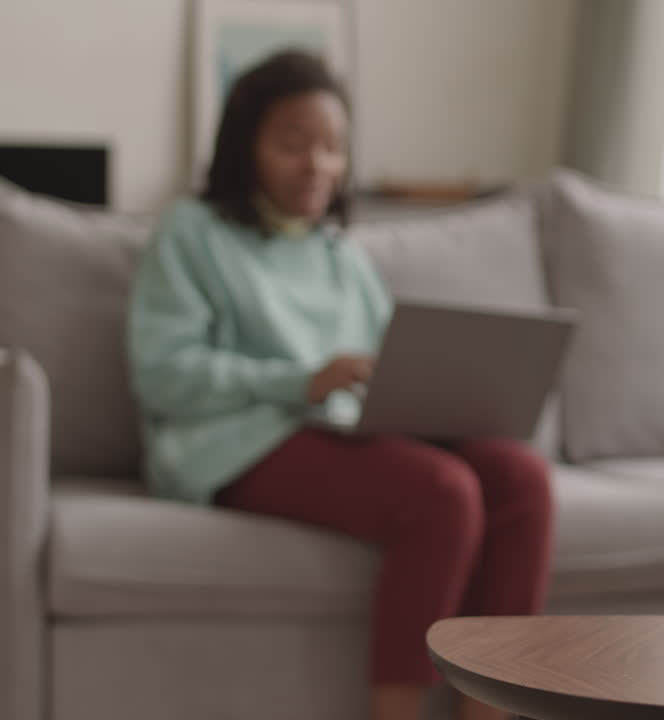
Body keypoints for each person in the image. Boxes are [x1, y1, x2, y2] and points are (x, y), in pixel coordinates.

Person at [126, 49, 552, 720]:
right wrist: (301, 381)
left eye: (332, 147)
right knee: (441, 492)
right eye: (292, 143)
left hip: (345, 430)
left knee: (520, 478)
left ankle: (489, 710)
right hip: (234, 443)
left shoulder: (342, 255)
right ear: (246, 145)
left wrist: (440, 397)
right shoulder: (191, 232)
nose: (317, 164)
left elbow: (387, 367)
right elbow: (163, 374)